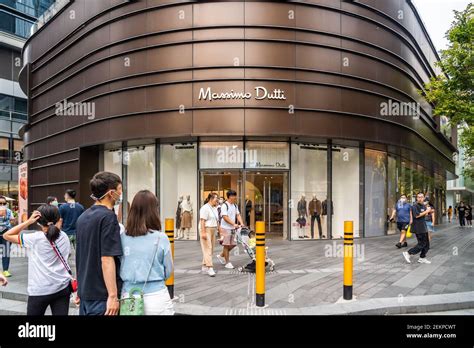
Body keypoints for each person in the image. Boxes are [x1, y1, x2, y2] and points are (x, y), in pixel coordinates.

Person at [3, 205, 72, 315]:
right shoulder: (64, 236)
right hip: (62, 288)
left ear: (38, 222)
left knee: (34, 331)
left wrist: (28, 222)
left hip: (40, 291)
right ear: (58, 219)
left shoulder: (34, 238)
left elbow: (7, 235)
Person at [76, 171, 123, 316]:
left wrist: (79, 289)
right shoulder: (108, 218)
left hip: (85, 293)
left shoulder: (83, 217)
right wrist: (113, 296)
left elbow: (80, 256)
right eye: (120, 190)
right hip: (102, 297)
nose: (121, 194)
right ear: (111, 193)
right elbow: (107, 258)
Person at [120, 190, 174, 315]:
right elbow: (168, 270)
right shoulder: (161, 238)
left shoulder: (122, 237)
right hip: (156, 295)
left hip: (129, 296)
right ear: (154, 211)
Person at [217, 190, 244, 269]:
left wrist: (241, 223)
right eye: (234, 196)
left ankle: (222, 255)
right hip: (225, 228)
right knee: (226, 245)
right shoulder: (225, 205)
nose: (235, 197)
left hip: (232, 228)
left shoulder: (235, 205)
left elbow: (238, 214)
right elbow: (225, 217)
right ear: (229, 197)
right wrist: (234, 224)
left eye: (235, 196)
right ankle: (227, 262)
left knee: (234, 244)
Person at [403, 193, 432, 264]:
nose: (420, 198)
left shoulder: (423, 206)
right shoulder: (414, 206)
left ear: (424, 198)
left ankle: (422, 258)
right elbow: (417, 216)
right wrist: (427, 211)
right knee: (422, 244)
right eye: (418, 197)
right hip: (418, 227)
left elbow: (425, 215)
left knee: (427, 245)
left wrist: (428, 211)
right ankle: (408, 253)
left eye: (421, 197)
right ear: (416, 198)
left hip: (423, 227)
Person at [199, 192, 219, 277]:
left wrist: (218, 230)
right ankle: (210, 267)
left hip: (213, 229)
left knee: (211, 248)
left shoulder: (214, 208)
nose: (217, 200)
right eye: (216, 199)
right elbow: (202, 220)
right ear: (211, 199)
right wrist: (203, 232)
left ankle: (204, 265)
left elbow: (216, 220)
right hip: (206, 229)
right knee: (208, 248)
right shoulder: (205, 208)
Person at [0, 196, 15, 278]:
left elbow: (13, 222)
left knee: (6, 252)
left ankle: (5, 270)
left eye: (4, 203)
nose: (2, 205)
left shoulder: (9, 211)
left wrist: (11, 219)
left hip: (6, 233)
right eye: (0, 203)